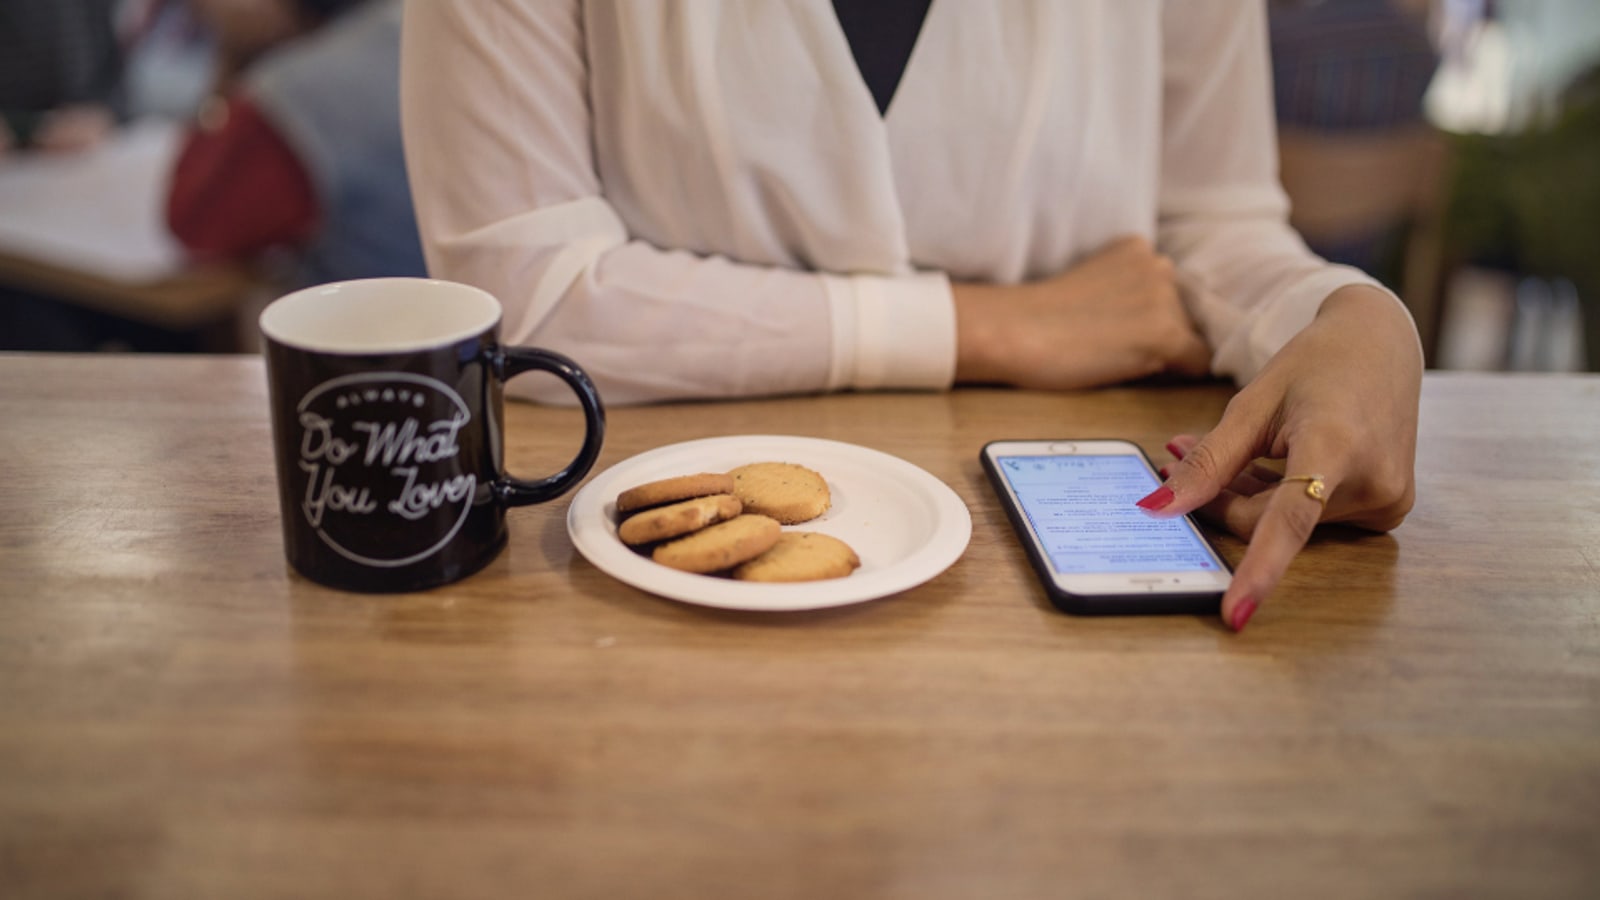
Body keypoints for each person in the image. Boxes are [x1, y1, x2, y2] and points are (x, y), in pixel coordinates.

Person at [400, 2, 1424, 632]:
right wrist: (992, 327)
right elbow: (522, 287)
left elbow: (1212, 225)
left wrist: (1343, 313)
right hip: (610, 611)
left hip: (1064, 621)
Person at [165, 0, 425, 287]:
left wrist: (233, 53)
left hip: (368, 304)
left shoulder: (295, 93)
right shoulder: (424, 23)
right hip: (447, 294)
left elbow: (196, 224)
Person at [0, 0, 124, 158]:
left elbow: (112, 73)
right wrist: (23, 128)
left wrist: (102, 113)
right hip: (12, 152)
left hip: (79, 147)